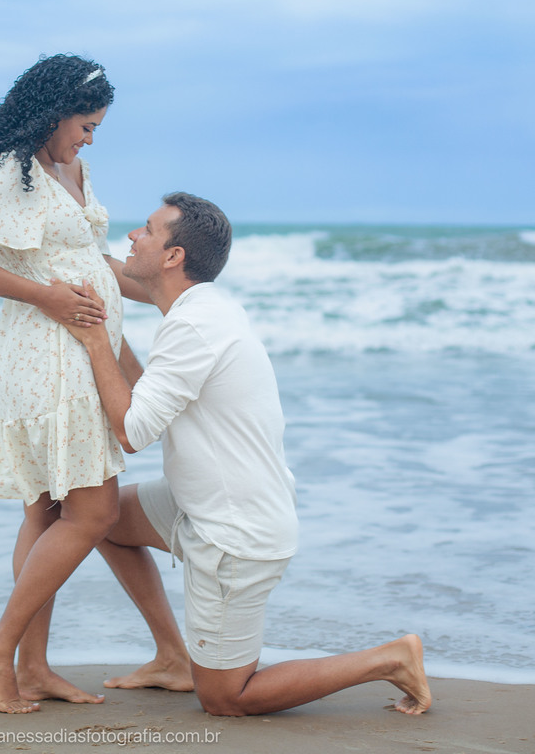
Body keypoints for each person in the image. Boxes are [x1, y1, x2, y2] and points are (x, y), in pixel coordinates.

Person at [57, 192, 433, 717]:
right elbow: (152, 404)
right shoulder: (202, 310)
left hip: (235, 532)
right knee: (106, 517)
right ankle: (173, 657)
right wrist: (106, 325)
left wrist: (96, 341)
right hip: (214, 501)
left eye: (145, 230)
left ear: (173, 256)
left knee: (226, 698)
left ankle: (388, 659)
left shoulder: (193, 325)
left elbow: (133, 433)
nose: (131, 238)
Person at [0, 54, 148, 714]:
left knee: (48, 511)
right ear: (54, 113)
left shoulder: (71, 166)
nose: (90, 138)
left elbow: (88, 262)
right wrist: (46, 298)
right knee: (94, 513)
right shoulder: (7, 168)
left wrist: (150, 321)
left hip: (87, 353)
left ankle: (32, 667)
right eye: (85, 125)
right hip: (47, 361)